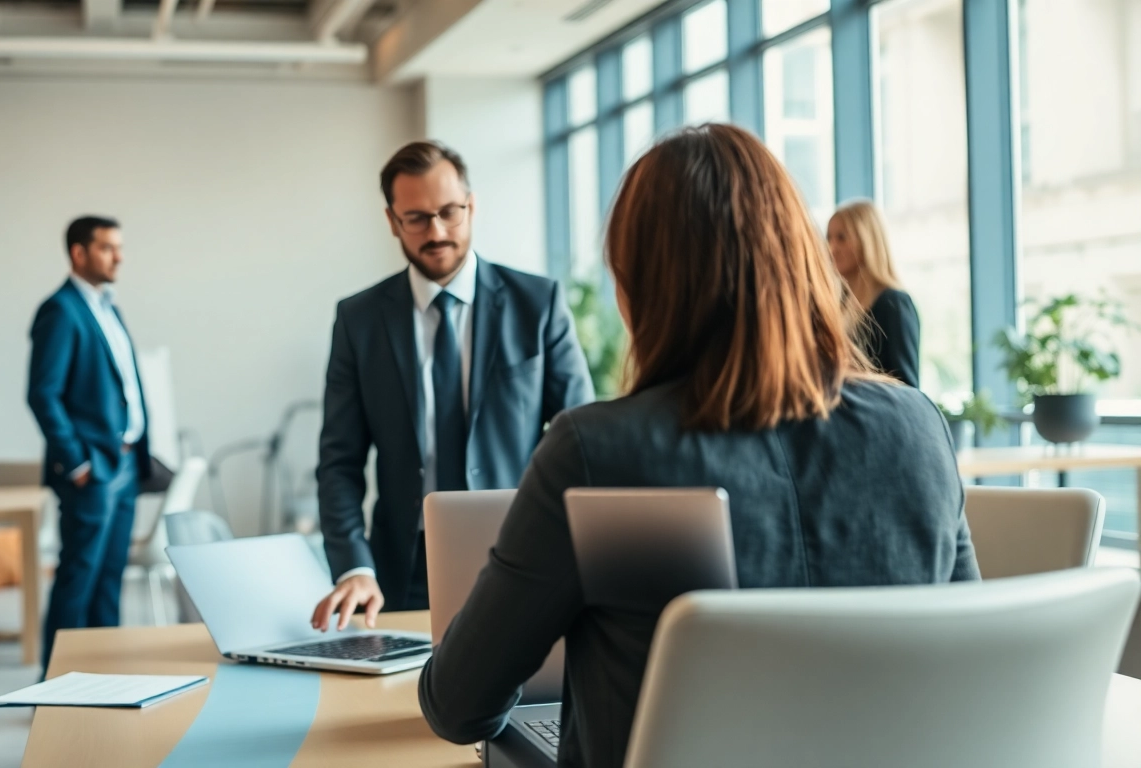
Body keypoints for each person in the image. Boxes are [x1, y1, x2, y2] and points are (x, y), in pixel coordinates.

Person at [418, 125, 979, 768]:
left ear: (637, 288)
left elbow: (460, 706)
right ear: (803, 264)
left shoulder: (595, 452)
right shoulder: (917, 427)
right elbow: (969, 663)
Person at [310, 141, 594, 630]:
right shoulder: (358, 320)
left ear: (472, 205)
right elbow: (339, 462)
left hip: (521, 549)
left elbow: (582, 438)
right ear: (392, 220)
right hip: (403, 566)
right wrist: (355, 566)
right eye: (416, 218)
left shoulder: (538, 304)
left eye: (449, 212)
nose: (436, 231)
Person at [27, 216, 151, 673]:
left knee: (108, 581)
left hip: (125, 465)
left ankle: (106, 676)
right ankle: (55, 685)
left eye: (119, 247)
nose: (119, 256)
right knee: (78, 578)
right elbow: (43, 394)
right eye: (107, 248)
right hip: (92, 470)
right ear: (79, 253)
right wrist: (77, 461)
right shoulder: (59, 310)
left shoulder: (107, 306)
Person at [827, 199, 921, 387]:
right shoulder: (839, 304)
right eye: (828, 238)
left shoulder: (894, 304)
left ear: (866, 241)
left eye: (842, 238)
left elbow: (906, 388)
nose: (831, 248)